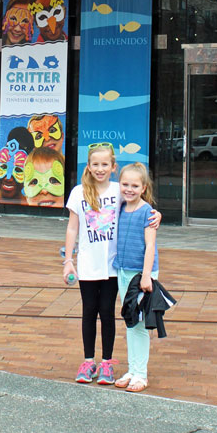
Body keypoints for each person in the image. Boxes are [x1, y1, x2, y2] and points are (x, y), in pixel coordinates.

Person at [63, 142, 121, 385]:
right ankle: (89, 362)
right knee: (89, 311)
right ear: (88, 166)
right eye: (95, 164)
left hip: (113, 265)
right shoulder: (78, 192)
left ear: (113, 167)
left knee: (107, 312)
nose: (100, 169)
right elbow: (72, 227)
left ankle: (107, 363)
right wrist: (68, 260)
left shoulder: (120, 191)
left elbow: (142, 207)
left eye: (105, 164)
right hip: (87, 264)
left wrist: (156, 216)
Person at [113, 162, 158, 393]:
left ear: (143, 188)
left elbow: (150, 246)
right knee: (131, 323)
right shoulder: (120, 208)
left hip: (140, 275)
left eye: (134, 185)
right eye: (125, 184)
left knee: (140, 326)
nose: (129, 189)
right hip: (123, 272)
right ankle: (133, 369)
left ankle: (141, 373)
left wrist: (146, 276)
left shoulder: (147, 212)